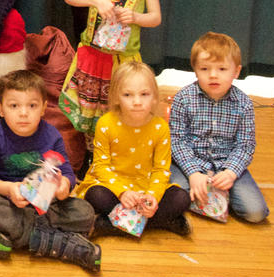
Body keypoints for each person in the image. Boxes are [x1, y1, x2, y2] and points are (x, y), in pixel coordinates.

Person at [0, 70, 100, 272]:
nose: (23, 113)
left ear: (43, 108)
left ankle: (15, 235)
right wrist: (10, 189)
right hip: (9, 202)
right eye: (14, 106)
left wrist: (64, 187)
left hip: (46, 204)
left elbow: (67, 174)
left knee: (85, 212)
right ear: (0, 109)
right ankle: (58, 241)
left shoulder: (52, 135)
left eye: (32, 106)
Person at [58, 0, 162, 142]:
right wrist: (95, 0)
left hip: (123, 61)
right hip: (92, 55)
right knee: (88, 109)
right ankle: (90, 150)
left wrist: (135, 17)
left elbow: (155, 18)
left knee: (118, 107)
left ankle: (116, 147)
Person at [77, 62, 191, 237]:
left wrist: (152, 196)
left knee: (181, 198)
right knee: (95, 196)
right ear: (116, 97)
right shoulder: (105, 124)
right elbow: (100, 166)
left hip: (146, 186)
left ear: (154, 97)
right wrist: (122, 192)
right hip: (112, 187)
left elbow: (161, 170)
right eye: (127, 95)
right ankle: (162, 222)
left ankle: (108, 225)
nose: (137, 102)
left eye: (144, 94)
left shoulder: (160, 127)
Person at [170, 32, 269, 223]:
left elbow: (245, 146)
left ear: (236, 71)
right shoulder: (183, 98)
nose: (213, 75)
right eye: (204, 68)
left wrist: (230, 173)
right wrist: (193, 172)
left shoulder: (243, 104)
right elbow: (177, 141)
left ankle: (219, 196)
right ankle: (207, 196)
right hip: (190, 162)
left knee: (256, 213)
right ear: (195, 70)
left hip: (226, 164)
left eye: (222, 69)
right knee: (175, 196)